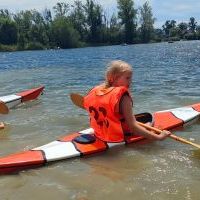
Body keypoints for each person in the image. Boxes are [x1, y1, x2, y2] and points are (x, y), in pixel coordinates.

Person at [83, 60, 171, 143]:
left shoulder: (95, 90)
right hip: (119, 134)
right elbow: (133, 128)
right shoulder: (123, 97)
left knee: (143, 117)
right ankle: (149, 127)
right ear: (113, 78)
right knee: (149, 119)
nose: (131, 81)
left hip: (100, 132)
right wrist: (159, 137)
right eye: (127, 78)